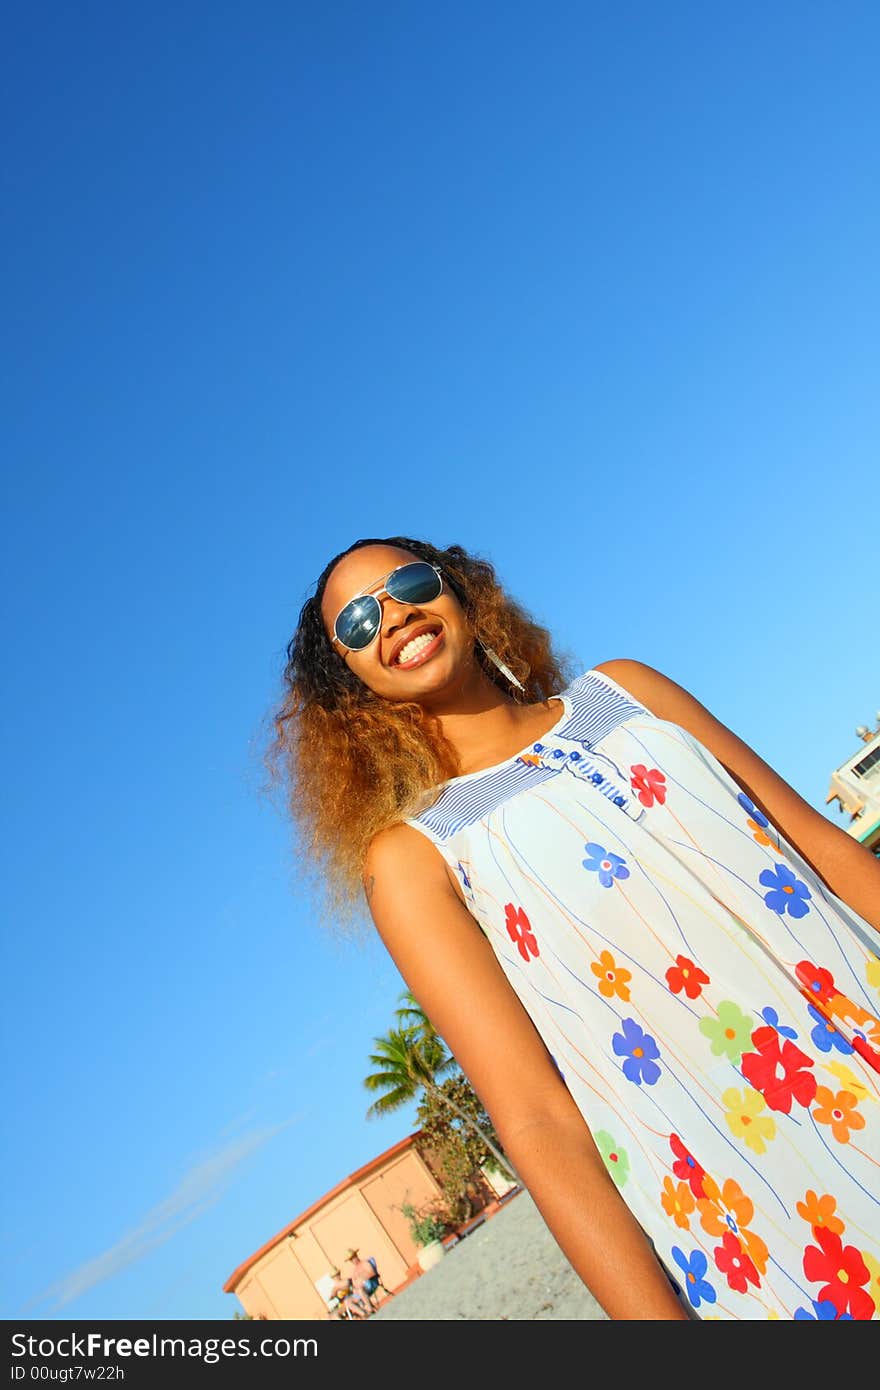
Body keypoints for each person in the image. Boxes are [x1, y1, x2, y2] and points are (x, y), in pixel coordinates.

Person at [269, 535, 880, 1322]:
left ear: (460, 592)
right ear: (348, 680)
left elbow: (824, 851)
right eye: (355, 622)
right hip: (760, 1195)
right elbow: (534, 1115)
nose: (392, 617)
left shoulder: (626, 694)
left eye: (408, 584)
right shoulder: (417, 859)